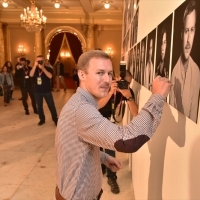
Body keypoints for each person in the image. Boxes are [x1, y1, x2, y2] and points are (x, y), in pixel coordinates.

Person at [55, 50, 172, 200]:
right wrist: (157, 97)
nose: (107, 80)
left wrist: (101, 156)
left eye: (110, 74)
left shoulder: (79, 102)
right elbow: (128, 140)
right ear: (82, 74)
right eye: (100, 73)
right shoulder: (82, 109)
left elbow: (73, 145)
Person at [98, 70, 138, 194]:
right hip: (95, 119)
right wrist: (110, 92)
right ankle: (100, 167)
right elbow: (95, 106)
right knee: (96, 147)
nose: (124, 84)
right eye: (122, 81)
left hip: (109, 121)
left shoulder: (125, 90)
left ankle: (112, 177)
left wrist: (128, 96)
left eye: (127, 82)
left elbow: (135, 113)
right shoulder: (101, 86)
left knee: (110, 148)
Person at [170, 0, 200, 123]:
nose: (188, 40)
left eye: (192, 30)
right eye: (186, 31)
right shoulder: (174, 71)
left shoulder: (197, 72)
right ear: (182, 34)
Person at [30, 55, 58, 126]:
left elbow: (50, 76)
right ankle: (42, 119)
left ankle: (55, 119)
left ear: (44, 61)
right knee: (39, 107)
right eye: (37, 60)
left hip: (47, 91)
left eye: (41, 60)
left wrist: (43, 68)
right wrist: (34, 66)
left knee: (51, 106)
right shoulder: (34, 69)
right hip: (37, 91)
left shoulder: (48, 68)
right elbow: (31, 75)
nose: (39, 62)